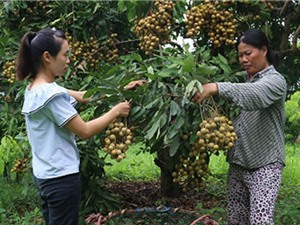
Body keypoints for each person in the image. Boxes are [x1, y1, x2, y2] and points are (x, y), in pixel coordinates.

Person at [16, 27, 144, 225]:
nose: (68, 60)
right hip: (61, 179)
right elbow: (84, 131)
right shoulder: (51, 96)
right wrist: (115, 112)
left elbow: (85, 95)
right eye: (65, 55)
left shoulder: (36, 88)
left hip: (45, 177)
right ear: (48, 57)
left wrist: (120, 89)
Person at [192, 29, 287, 225]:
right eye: (240, 55)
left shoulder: (276, 81)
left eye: (248, 54)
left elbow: (255, 95)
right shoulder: (242, 80)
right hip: (238, 165)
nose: (243, 59)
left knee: (260, 221)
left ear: (263, 50)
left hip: (265, 165)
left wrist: (215, 87)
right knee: (236, 220)